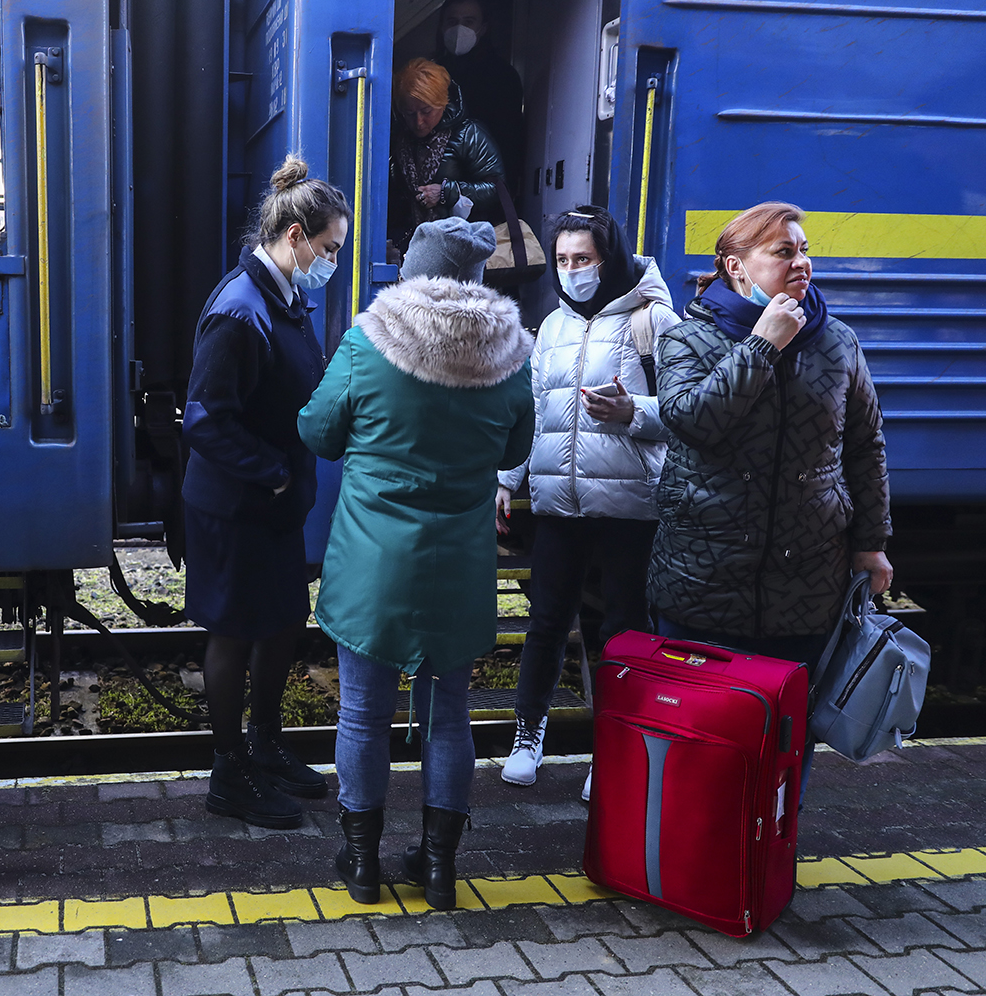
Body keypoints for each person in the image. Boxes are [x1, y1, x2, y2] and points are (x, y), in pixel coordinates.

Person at [300, 216, 534, 908]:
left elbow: (317, 430)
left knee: (363, 715)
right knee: (449, 716)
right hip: (458, 563)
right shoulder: (511, 357)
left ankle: (363, 863)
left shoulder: (367, 345)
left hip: (373, 563)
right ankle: (438, 870)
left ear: (412, 273)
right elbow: (513, 447)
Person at [647, 202, 892, 789]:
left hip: (807, 586)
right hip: (704, 582)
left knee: (786, 739)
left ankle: (766, 856)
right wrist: (761, 346)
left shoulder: (837, 343)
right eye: (784, 252)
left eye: (804, 250)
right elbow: (693, 422)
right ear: (736, 267)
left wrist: (872, 544)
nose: (801, 263)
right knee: (701, 739)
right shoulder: (690, 339)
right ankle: (690, 860)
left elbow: (865, 447)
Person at [182, 155, 348, 829]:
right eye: (330, 247)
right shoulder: (239, 310)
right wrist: (275, 471)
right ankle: (229, 774)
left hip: (275, 502)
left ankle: (266, 746)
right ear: (296, 237)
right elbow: (205, 420)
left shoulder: (283, 293)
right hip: (236, 505)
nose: (332, 261)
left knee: (282, 622)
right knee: (233, 634)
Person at [496, 207, 680, 795]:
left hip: (630, 507)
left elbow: (684, 411)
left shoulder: (654, 320)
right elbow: (534, 414)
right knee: (547, 622)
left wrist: (633, 413)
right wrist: (507, 477)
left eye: (585, 259)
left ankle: (617, 750)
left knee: (624, 630)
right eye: (564, 260)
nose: (572, 270)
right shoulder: (550, 327)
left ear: (612, 259)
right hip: (558, 503)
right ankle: (529, 736)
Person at [387, 58, 505, 257]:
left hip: (462, 246)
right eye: (409, 113)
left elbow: (497, 190)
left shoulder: (470, 134)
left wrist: (446, 192)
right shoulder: (400, 139)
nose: (418, 122)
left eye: (426, 111)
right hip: (415, 247)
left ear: (443, 102)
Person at [436, 0, 525, 191]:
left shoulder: (503, 76)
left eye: (468, 22)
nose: (459, 29)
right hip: (438, 187)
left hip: (485, 185)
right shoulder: (432, 74)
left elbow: (510, 141)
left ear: (483, 28)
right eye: (452, 21)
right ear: (442, 26)